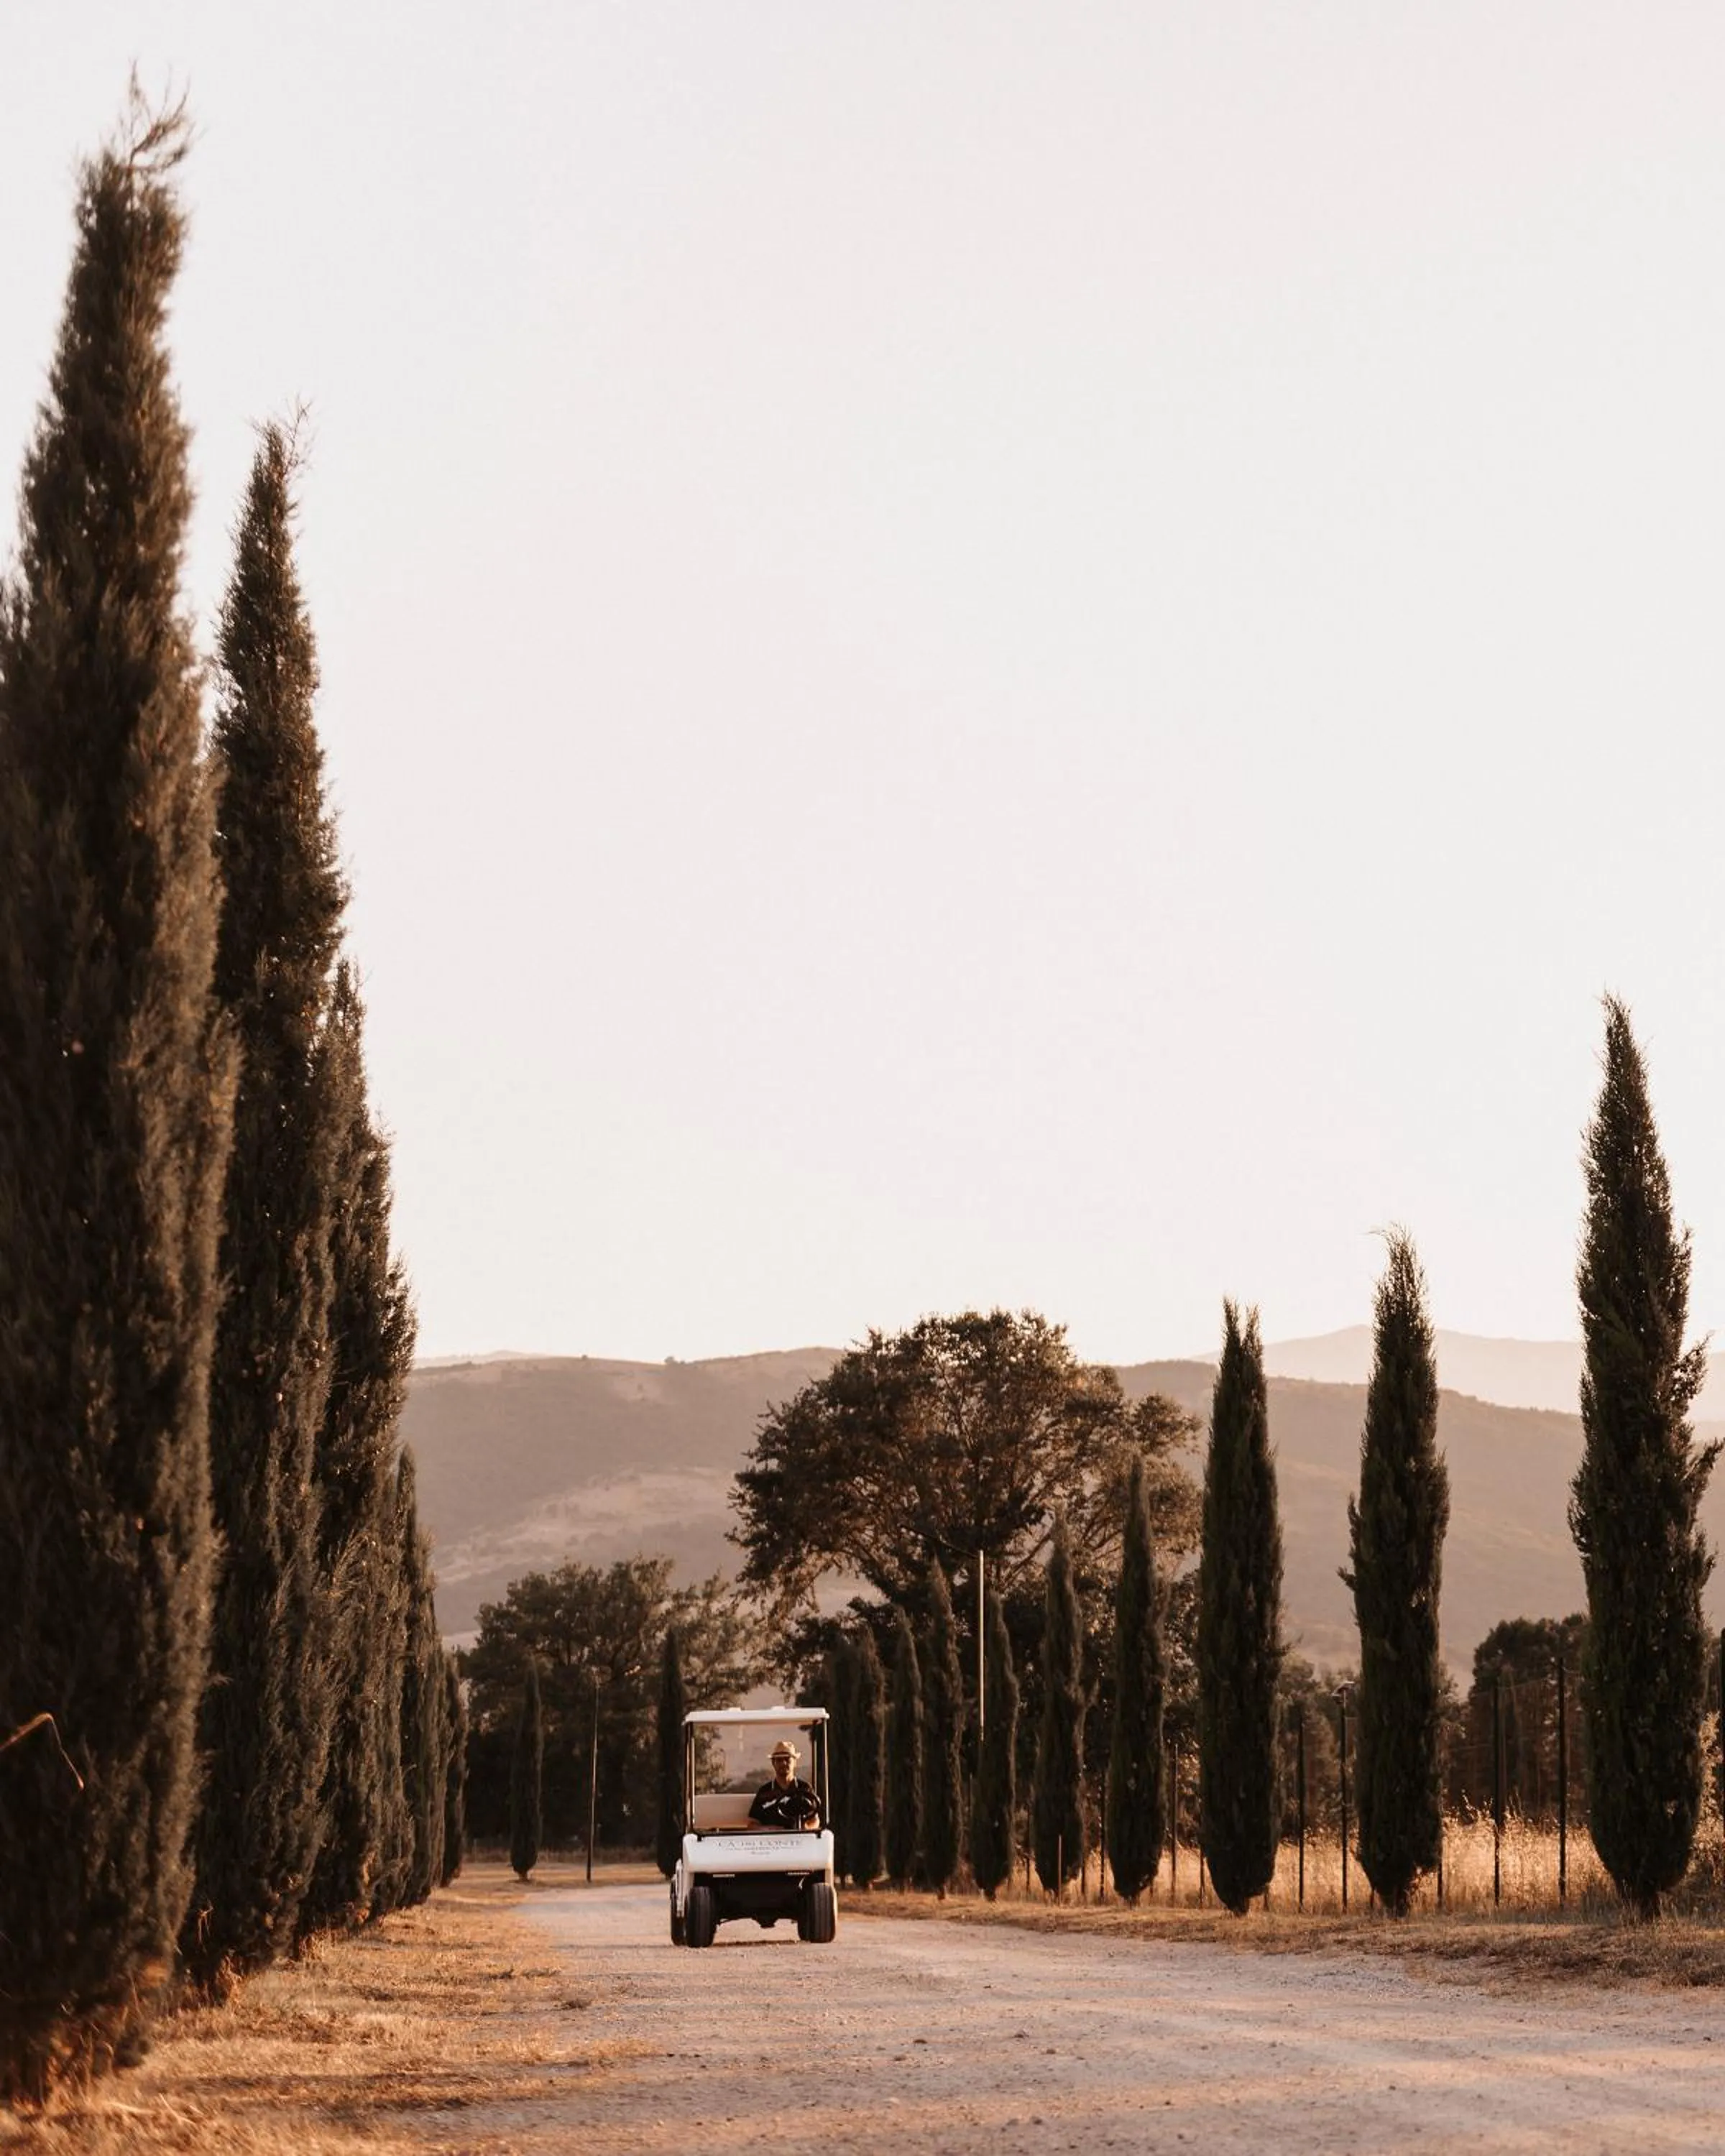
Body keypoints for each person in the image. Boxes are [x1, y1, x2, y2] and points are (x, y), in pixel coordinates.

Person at [748, 1738, 822, 1830]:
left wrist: (805, 1830)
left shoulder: (804, 1788)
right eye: (779, 1760)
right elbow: (752, 1824)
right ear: (773, 1763)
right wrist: (769, 1830)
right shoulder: (765, 1791)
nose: (783, 1763)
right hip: (772, 1841)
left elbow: (815, 1820)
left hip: (800, 1840)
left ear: (794, 1762)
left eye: (787, 1759)